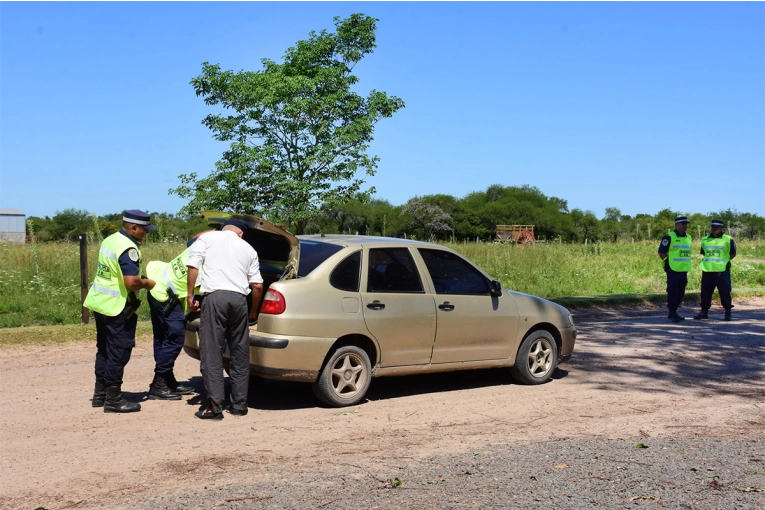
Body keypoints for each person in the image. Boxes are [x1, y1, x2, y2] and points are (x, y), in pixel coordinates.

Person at [186, 219, 263, 420]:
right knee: (239, 353)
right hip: (239, 302)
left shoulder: (207, 238)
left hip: (215, 299)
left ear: (223, 229)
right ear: (241, 234)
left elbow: (193, 265)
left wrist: (190, 295)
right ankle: (239, 406)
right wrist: (253, 312)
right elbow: (257, 286)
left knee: (212, 352)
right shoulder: (249, 249)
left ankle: (215, 407)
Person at [83, 210, 156, 413]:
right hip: (118, 307)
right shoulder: (128, 247)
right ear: (134, 228)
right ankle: (114, 399)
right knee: (119, 351)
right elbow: (131, 283)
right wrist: (147, 283)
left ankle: (100, 394)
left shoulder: (110, 240)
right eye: (145, 229)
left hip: (102, 303)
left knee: (104, 350)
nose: (146, 233)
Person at [144, 236, 206, 400]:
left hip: (156, 288)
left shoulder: (197, 245)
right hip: (166, 297)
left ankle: (167, 380)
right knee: (174, 337)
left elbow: (195, 237)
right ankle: (159, 384)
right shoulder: (207, 258)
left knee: (162, 337)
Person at [694, 220, 736, 321]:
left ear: (721, 228)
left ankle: (727, 312)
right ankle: (704, 312)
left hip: (722, 270)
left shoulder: (728, 239)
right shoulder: (705, 239)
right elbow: (704, 252)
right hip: (708, 270)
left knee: (725, 291)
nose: (714, 229)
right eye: (713, 227)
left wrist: (723, 262)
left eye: (717, 227)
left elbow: (732, 254)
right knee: (705, 293)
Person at [658, 216, 692, 323]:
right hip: (673, 268)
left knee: (681, 292)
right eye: (683, 224)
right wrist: (669, 262)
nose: (685, 226)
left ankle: (674, 311)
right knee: (673, 291)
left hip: (683, 269)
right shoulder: (669, 237)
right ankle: (672, 312)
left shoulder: (688, 237)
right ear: (676, 225)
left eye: (686, 224)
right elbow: (661, 253)